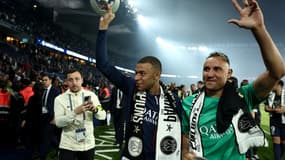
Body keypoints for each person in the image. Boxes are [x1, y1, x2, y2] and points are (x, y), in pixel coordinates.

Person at [181, 0, 285, 160]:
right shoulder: (188, 103)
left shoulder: (243, 96)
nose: (210, 74)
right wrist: (185, 155)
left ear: (229, 73)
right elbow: (185, 141)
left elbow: (277, 71)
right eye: (206, 69)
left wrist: (259, 29)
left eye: (217, 69)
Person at [95, 5, 184, 160]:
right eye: (136, 73)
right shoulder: (131, 87)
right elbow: (103, 64)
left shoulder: (173, 100)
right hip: (131, 156)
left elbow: (182, 131)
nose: (136, 77)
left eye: (142, 74)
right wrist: (103, 28)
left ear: (157, 75)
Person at [54, 69, 106, 160]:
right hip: (68, 144)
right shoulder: (59, 99)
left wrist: (96, 110)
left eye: (77, 79)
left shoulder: (92, 95)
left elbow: (103, 114)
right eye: (70, 80)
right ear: (66, 82)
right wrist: (74, 112)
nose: (74, 82)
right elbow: (58, 122)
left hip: (88, 144)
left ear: (82, 80)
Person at [264, 80, 285, 160]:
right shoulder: (270, 95)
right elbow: (266, 108)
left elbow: (283, 110)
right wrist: (274, 110)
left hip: (284, 122)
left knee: (283, 145)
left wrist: (282, 110)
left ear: (278, 85)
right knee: (276, 142)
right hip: (274, 122)